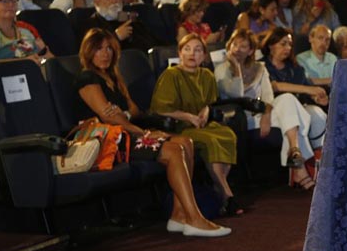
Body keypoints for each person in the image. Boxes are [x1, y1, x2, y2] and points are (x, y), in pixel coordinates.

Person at [74, 28, 231, 237]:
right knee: (175, 150)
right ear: (89, 52)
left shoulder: (113, 76)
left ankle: (178, 215)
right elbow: (109, 118)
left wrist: (125, 115)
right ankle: (195, 218)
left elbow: (134, 110)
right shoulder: (87, 78)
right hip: (110, 141)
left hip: (127, 132)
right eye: (99, 49)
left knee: (186, 143)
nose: (105, 53)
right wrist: (142, 132)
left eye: (109, 48)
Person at [215, 29, 321, 190]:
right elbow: (236, 95)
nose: (236, 49)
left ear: (251, 50)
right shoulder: (222, 69)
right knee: (293, 117)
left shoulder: (259, 67)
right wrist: (236, 69)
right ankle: (298, 168)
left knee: (287, 99)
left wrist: (266, 114)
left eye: (242, 46)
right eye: (234, 45)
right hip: (242, 118)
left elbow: (268, 96)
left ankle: (294, 150)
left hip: (263, 115)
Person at [151, 34, 242, 216]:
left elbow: (210, 102)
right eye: (187, 49)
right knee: (210, 141)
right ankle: (226, 193)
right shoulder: (171, 75)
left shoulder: (206, 75)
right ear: (180, 53)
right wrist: (187, 116)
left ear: (204, 55)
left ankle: (220, 188)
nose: (192, 54)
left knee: (227, 134)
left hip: (203, 124)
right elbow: (160, 109)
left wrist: (206, 110)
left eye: (198, 50)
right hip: (180, 127)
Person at [260, 28, 328, 188]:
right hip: (270, 112)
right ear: (271, 45)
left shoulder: (295, 68)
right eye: (283, 44)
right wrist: (309, 90)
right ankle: (298, 167)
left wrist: (318, 97)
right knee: (288, 99)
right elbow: (275, 87)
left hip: (294, 114)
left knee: (317, 113)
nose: (288, 48)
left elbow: (306, 91)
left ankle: (322, 165)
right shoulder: (262, 65)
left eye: (290, 45)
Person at [79, 0, 160, 51]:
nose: (114, 1)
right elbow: (91, 51)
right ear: (96, 2)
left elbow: (152, 44)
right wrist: (116, 37)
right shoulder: (90, 25)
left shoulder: (130, 20)